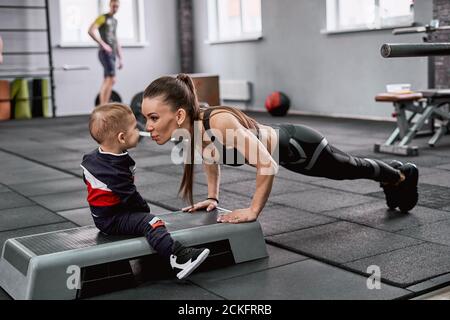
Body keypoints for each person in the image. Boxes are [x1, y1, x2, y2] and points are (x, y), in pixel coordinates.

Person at [140, 73, 419, 224]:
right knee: (348, 169)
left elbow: (266, 164)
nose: (149, 126)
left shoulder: (218, 121)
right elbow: (210, 161)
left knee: (349, 169)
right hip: (289, 154)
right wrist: (212, 197)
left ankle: (401, 174)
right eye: (146, 119)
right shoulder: (191, 130)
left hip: (302, 146)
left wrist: (253, 210)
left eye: (154, 118)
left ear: (178, 115)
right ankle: (393, 176)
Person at [80, 103, 210, 279]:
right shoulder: (114, 170)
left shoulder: (94, 158)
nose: (140, 130)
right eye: (135, 128)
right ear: (121, 138)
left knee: (143, 218)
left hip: (106, 214)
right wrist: (144, 212)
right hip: (112, 220)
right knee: (152, 222)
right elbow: (131, 197)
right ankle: (178, 259)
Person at [88, 0, 123, 106]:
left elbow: (115, 39)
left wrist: (121, 57)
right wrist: (103, 44)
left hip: (112, 53)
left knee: (108, 79)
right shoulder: (102, 17)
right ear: (110, 5)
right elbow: (90, 30)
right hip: (105, 52)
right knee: (111, 79)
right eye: (113, 6)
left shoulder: (114, 21)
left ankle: (103, 106)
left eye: (117, 6)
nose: (115, 8)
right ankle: (103, 106)